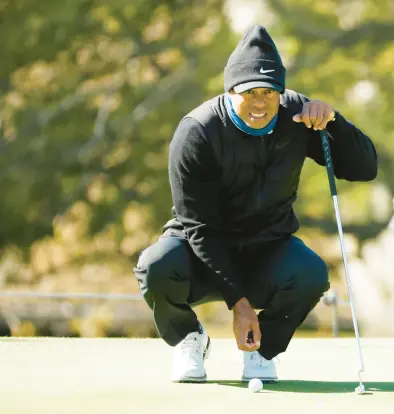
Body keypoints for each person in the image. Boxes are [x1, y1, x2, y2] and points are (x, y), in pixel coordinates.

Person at [133, 25, 377, 383]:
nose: (261, 102)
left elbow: (364, 168)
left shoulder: (297, 116)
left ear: (281, 92)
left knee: (311, 273)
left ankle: (262, 351)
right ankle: (189, 337)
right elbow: (199, 227)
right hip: (201, 252)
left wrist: (334, 123)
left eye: (270, 92)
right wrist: (240, 305)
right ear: (231, 90)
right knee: (154, 266)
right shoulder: (197, 131)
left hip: (267, 249)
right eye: (250, 92)